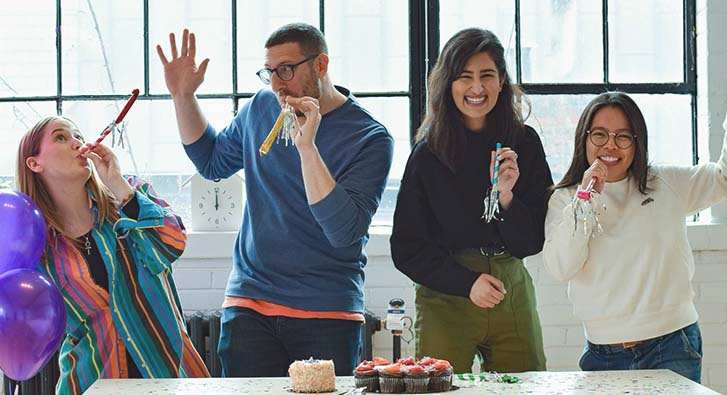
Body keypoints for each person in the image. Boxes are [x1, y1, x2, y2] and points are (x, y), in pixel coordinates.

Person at [155, 24, 393, 377]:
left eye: (287, 69)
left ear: (321, 65)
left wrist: (307, 147)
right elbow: (212, 162)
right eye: (270, 72)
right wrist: (182, 97)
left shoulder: (369, 138)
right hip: (250, 302)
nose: (278, 84)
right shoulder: (261, 108)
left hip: (326, 309)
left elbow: (344, 231)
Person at [542, 81, 727, 382]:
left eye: (623, 137)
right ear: (584, 139)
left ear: (637, 143)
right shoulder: (566, 199)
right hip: (603, 353)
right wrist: (585, 197)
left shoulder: (665, 184)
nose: (610, 145)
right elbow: (562, 267)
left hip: (673, 345)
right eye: (599, 135)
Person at [390, 28, 551, 373]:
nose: (477, 88)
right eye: (465, 77)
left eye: (487, 76)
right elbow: (406, 248)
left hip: (511, 289)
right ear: (448, 84)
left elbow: (534, 240)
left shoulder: (525, 143)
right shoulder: (428, 153)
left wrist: (507, 198)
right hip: (445, 297)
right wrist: (468, 283)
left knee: (529, 385)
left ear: (502, 80)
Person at [16, 116, 209, 394]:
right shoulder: (35, 245)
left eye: (78, 136)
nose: (77, 143)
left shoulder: (129, 194)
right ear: (34, 163)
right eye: (60, 137)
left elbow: (172, 242)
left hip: (168, 372)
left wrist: (119, 186)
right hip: (90, 380)